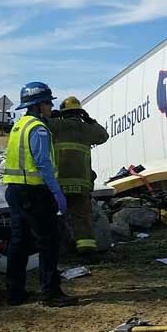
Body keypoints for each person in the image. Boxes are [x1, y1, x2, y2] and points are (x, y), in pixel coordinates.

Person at [2, 82, 78, 307]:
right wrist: (56, 191)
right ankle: (51, 293)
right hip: (34, 193)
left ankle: (15, 292)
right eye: (48, 101)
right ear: (38, 105)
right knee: (48, 242)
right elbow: (43, 163)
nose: (51, 105)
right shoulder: (38, 128)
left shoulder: (19, 126)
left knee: (19, 242)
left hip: (14, 191)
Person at [47, 97, 110, 258]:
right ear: (80, 113)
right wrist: (90, 120)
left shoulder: (56, 125)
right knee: (82, 217)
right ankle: (86, 249)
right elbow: (103, 135)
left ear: (63, 113)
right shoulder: (86, 129)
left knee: (51, 216)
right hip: (82, 183)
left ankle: (54, 250)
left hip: (58, 183)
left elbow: (40, 124)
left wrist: (51, 116)